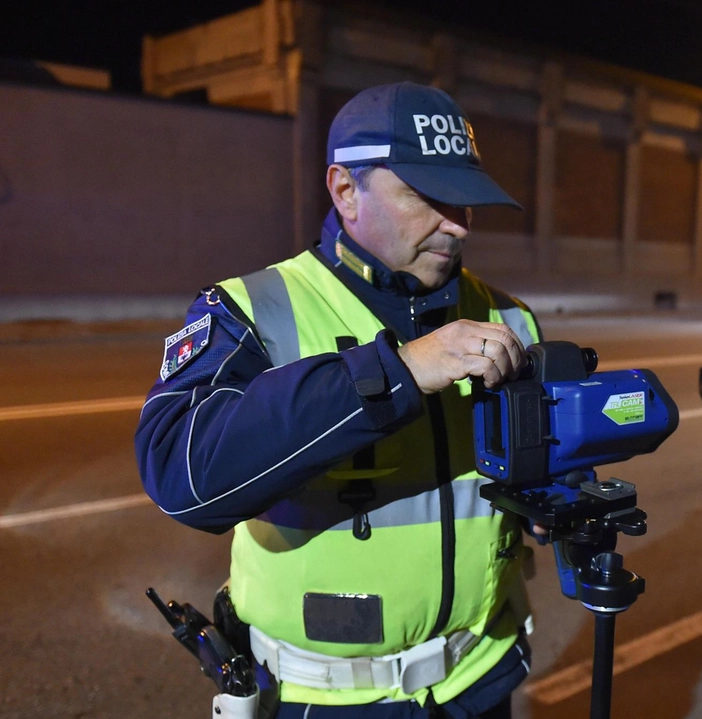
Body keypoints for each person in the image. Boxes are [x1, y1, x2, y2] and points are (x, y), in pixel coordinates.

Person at [136, 82, 543, 719]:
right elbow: (181, 475)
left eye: (467, 200)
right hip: (321, 698)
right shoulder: (252, 309)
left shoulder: (509, 317)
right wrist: (399, 371)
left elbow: (518, 479)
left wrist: (545, 498)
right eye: (428, 197)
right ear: (345, 190)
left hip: (477, 681)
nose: (459, 225)